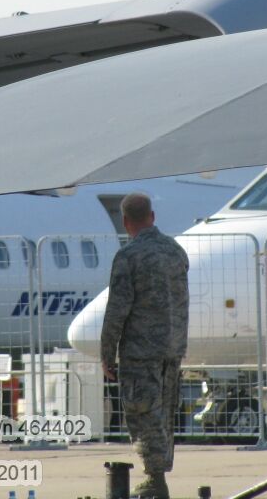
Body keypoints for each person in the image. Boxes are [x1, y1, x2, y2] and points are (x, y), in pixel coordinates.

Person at [100, 193, 189, 499]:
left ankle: (155, 480)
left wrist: (106, 353)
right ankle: (158, 475)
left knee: (143, 414)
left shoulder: (129, 257)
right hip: (172, 349)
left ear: (126, 222)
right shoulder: (176, 252)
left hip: (141, 352)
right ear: (152, 216)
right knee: (163, 413)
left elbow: (117, 311)